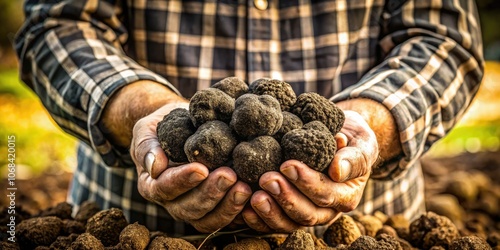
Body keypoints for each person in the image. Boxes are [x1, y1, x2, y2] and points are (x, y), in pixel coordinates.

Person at [15, 0, 483, 236]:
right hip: (137, 227)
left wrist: (370, 123)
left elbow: (444, 40)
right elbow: (56, 26)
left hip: (360, 230)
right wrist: (142, 108)